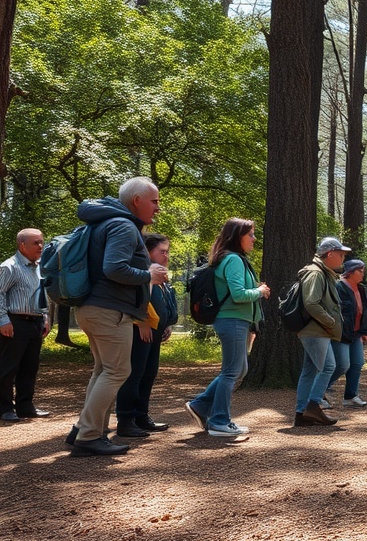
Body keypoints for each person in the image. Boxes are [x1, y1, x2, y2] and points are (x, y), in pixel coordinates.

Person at [66, 177, 168, 457]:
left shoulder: (105, 222)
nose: (157, 208)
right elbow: (114, 268)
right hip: (109, 311)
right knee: (117, 371)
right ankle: (88, 436)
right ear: (137, 201)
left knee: (103, 370)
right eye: (154, 201)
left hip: (94, 308)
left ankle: (84, 429)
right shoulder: (123, 225)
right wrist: (149, 274)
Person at [185, 218, 269, 438]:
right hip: (231, 320)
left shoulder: (233, 258)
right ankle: (219, 421)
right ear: (237, 237)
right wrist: (260, 291)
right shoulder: (233, 260)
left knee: (239, 370)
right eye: (250, 234)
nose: (254, 239)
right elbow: (239, 294)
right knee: (232, 371)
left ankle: (201, 406)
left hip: (236, 320)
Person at [114, 233, 178, 437]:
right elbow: (136, 299)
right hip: (140, 329)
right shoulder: (141, 272)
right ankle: (126, 419)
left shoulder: (159, 274)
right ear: (149, 252)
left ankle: (142, 416)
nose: (166, 256)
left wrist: (166, 324)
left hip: (156, 331)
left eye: (167, 252)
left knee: (149, 373)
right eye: (162, 252)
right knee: (134, 373)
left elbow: (162, 301)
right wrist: (141, 321)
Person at [293, 237, 348, 427]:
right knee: (328, 366)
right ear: (330, 254)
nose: (343, 258)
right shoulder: (316, 273)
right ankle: (313, 405)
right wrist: (330, 321)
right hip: (316, 330)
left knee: (309, 370)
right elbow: (311, 303)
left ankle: (301, 415)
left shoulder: (323, 273)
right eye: (340, 254)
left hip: (316, 331)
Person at [0, 229, 51, 422]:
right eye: (36, 243)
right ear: (22, 245)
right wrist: (3, 320)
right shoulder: (9, 267)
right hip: (14, 323)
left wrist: (44, 317)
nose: (41, 246)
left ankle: (25, 406)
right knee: (8, 367)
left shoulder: (38, 267)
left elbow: (41, 294)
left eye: (41, 242)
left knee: (30, 367)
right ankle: (4, 408)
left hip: (35, 322)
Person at [326, 257, 367, 408]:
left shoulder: (361, 289)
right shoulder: (339, 287)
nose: (363, 273)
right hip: (341, 333)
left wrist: (365, 331)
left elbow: (363, 311)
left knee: (357, 363)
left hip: (356, 333)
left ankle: (351, 396)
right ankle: (319, 391)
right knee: (342, 365)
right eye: (360, 270)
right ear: (350, 272)